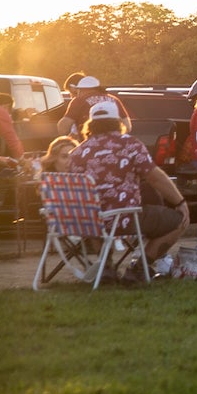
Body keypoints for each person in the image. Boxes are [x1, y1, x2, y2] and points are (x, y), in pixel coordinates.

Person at [69, 100, 189, 282]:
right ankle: (139, 268)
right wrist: (180, 203)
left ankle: (106, 266)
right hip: (125, 219)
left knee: (97, 215)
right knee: (180, 221)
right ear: (118, 121)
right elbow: (155, 178)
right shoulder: (130, 145)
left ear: (91, 124)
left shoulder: (78, 153)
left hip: (89, 222)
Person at [57, 76, 132, 137]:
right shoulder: (114, 99)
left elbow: (63, 128)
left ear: (79, 90)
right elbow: (128, 127)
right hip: (115, 146)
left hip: (89, 145)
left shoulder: (79, 101)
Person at [0, 93, 23, 169]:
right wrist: (22, 158)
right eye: (9, 111)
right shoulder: (0, 111)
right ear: (6, 106)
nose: (9, 114)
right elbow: (11, 138)